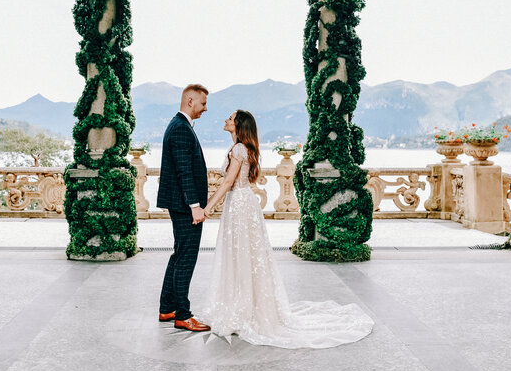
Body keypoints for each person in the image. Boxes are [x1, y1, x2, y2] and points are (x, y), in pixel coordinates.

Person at [197, 110, 374, 348]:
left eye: (230, 117)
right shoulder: (242, 149)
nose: (226, 119)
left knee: (240, 255)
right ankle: (246, 306)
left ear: (239, 125)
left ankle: (242, 308)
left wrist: (208, 207)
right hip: (243, 203)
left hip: (239, 205)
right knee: (246, 255)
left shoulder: (238, 149)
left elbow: (228, 182)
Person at [157, 84, 211, 332]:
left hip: (179, 204)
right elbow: (184, 171)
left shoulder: (179, 125)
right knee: (186, 258)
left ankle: (167, 308)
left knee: (179, 255)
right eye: (202, 104)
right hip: (184, 206)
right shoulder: (180, 128)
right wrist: (195, 206)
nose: (205, 109)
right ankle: (183, 315)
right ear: (190, 101)